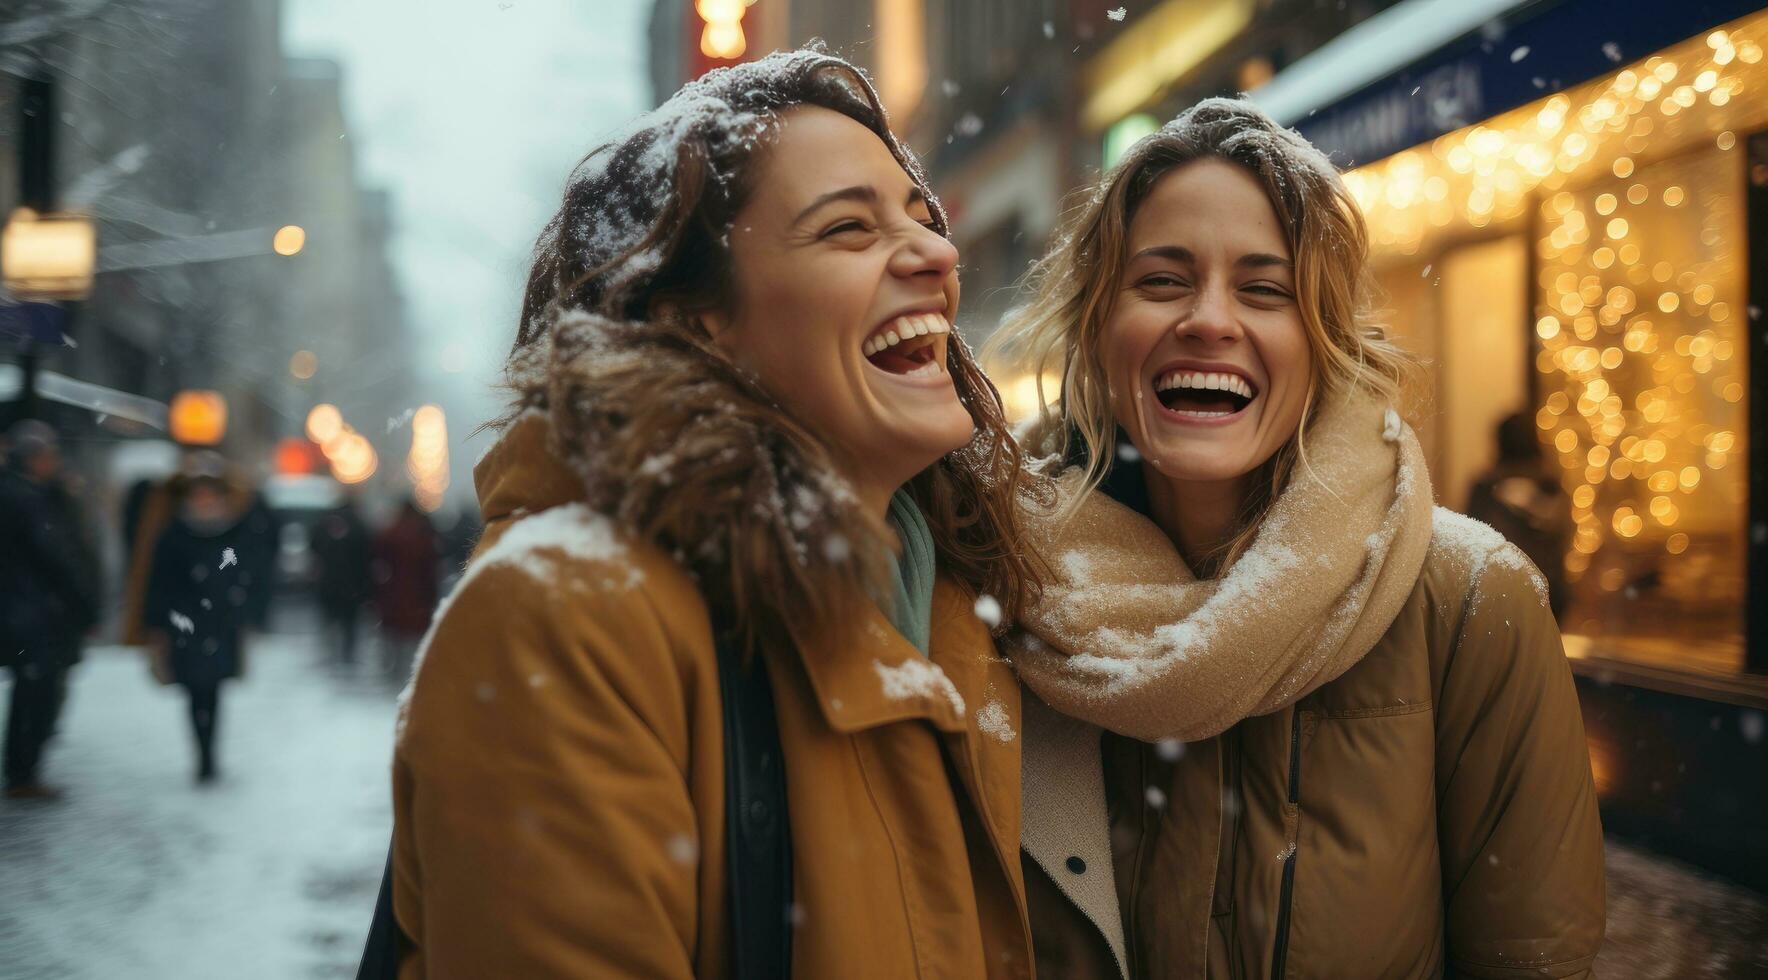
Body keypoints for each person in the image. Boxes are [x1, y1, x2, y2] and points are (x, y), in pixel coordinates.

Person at [390, 48, 1046, 978]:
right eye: (848, 229)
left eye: (920, 215)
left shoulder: (966, 602)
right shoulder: (564, 623)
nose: (938, 252)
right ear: (696, 322)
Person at [984, 98, 1605, 977]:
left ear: (1323, 342)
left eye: (1264, 289)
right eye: (1162, 279)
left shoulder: (1471, 601)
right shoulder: (1000, 592)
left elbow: (1534, 955)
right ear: (1096, 326)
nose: (1209, 319)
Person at [142, 464, 274, 783]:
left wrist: (243, 606)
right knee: (195, 689)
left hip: (220, 624)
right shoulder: (174, 535)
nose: (204, 502)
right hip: (186, 625)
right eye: (198, 495)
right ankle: (203, 755)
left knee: (212, 690)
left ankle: (208, 755)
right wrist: (158, 622)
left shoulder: (232, 534)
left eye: (209, 496)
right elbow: (159, 582)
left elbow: (246, 571)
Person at [1, 421, 100, 800]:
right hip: (35, 613)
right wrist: (84, 605)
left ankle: (22, 770)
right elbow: (58, 558)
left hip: (30, 610)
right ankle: (22, 773)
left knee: (35, 691)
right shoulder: (28, 499)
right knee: (36, 692)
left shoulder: (28, 495)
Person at [1467, 411, 1574, 618]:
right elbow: (1564, 537)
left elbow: (1471, 542)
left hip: (1499, 593)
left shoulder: (1486, 488)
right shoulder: (1552, 486)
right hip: (1550, 592)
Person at [371, 498, 440, 682]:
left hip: (394, 595)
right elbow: (430, 570)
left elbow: (379, 562)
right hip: (416, 596)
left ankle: (393, 671)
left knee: (394, 636)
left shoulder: (391, 532)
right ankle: (412, 673)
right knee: (413, 638)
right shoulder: (422, 535)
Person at [312, 496, 374, 666]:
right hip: (351, 583)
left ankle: (330, 651)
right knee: (349, 622)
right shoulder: (359, 526)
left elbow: (315, 547)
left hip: (329, 581)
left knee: (330, 618)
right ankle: (348, 653)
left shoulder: (325, 525)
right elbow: (366, 556)